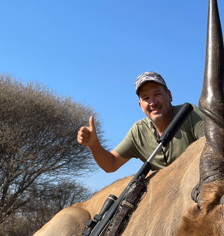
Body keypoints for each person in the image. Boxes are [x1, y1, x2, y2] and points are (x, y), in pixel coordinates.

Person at [77, 72, 205, 172]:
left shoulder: (190, 113)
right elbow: (111, 164)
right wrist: (93, 144)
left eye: (157, 94)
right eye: (146, 98)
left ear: (169, 96)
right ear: (140, 105)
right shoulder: (138, 131)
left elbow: (214, 146)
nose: (153, 103)